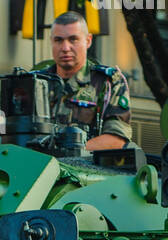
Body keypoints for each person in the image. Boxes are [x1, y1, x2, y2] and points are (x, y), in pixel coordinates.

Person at [36, 9, 131, 153]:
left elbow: (116, 138)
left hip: (88, 171)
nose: (65, 48)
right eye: (58, 40)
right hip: (37, 168)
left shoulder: (108, 82)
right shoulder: (36, 82)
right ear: (51, 42)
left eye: (73, 39)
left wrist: (64, 155)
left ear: (88, 41)